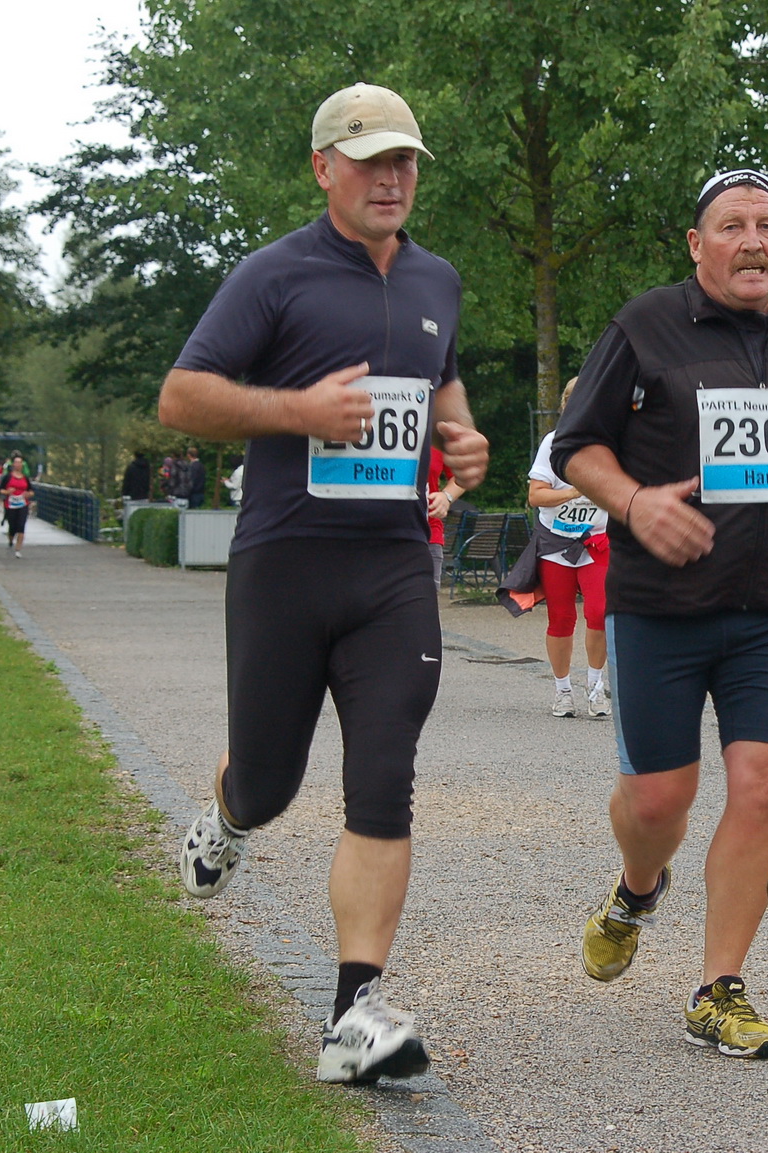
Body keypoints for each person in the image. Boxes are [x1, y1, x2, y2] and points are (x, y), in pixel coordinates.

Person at [158, 82, 489, 1086]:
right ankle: (228, 815)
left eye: (406, 161)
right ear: (323, 169)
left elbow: (441, 377)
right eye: (370, 159)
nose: (392, 177)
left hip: (391, 566)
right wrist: (297, 409)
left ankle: (354, 1013)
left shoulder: (438, 279)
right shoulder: (276, 275)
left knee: (384, 772)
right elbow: (182, 396)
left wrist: (460, 437)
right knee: (271, 779)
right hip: (285, 563)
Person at [550, 169, 768, 1059]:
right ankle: (636, 888)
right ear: (697, 245)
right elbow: (577, 445)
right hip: (661, 607)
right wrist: (634, 503)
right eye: (732, 225)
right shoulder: (643, 325)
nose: (753, 239)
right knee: (660, 798)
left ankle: (720, 987)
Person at [528, 377, 611, 718]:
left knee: (599, 613)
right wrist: (574, 491)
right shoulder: (554, 443)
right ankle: (563, 691)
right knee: (560, 618)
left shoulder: (612, 442)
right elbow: (535, 496)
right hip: (557, 541)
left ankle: (595, 688)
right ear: (567, 407)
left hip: (597, 541)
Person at [425, 451, 462, 588]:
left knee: (424, 604)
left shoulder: (435, 437)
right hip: (377, 536)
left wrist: (446, 496)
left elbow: (461, 475)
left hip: (428, 534)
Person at [0, 454, 35, 558]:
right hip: (10, 504)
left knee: (21, 526)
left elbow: (31, 491)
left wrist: (28, 494)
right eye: (16, 462)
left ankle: (18, 549)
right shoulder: (8, 477)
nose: (18, 464)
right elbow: (1, 489)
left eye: (20, 462)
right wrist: (7, 491)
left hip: (23, 504)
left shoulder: (25, 478)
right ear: (13, 464)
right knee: (12, 526)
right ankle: (11, 540)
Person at [184, 445, 208, 509]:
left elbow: (192, 480)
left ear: (189, 455)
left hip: (194, 494)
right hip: (201, 492)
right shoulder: (201, 465)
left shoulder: (193, 466)